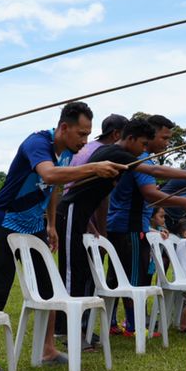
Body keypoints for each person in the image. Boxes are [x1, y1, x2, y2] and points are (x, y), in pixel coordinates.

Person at [0, 102, 124, 371]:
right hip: (5, 221)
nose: (85, 141)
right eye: (81, 134)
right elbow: (49, 174)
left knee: (51, 288)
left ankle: (47, 349)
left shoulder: (66, 153)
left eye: (88, 134)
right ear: (64, 127)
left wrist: (51, 223)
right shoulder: (37, 143)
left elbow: (54, 187)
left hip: (34, 226)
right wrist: (94, 168)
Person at [55, 118, 154, 347]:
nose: (144, 150)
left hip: (80, 216)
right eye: (143, 144)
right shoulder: (116, 153)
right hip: (70, 212)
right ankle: (67, 331)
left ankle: (76, 329)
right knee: (71, 272)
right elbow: (152, 169)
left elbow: (94, 196)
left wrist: (93, 227)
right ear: (129, 138)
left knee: (80, 272)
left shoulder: (112, 153)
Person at [104, 116, 186, 335]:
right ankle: (134, 325)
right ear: (150, 134)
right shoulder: (143, 160)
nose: (167, 143)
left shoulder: (139, 159)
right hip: (130, 226)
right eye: (164, 138)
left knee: (117, 275)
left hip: (120, 225)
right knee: (135, 279)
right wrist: (184, 201)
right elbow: (150, 193)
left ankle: (112, 322)